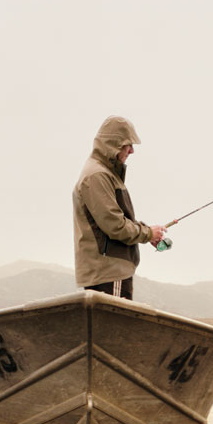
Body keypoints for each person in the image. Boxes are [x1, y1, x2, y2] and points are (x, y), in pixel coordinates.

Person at [72, 115, 165, 300]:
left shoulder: (104, 173)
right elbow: (115, 226)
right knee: (113, 328)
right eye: (127, 145)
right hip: (110, 272)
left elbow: (115, 219)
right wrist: (146, 234)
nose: (131, 151)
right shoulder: (97, 176)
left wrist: (148, 232)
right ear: (113, 144)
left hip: (109, 271)